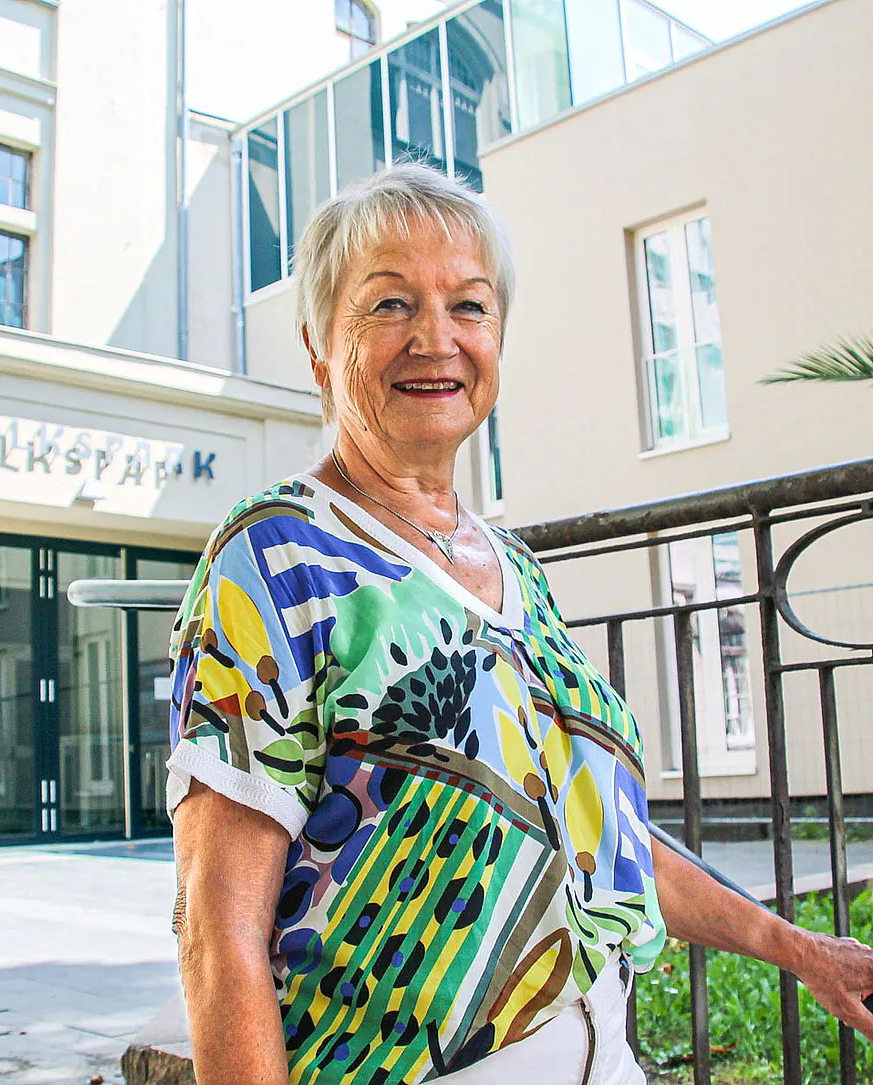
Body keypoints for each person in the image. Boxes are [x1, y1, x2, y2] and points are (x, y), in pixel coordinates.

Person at [166, 163, 873, 1085]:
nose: (436, 338)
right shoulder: (273, 558)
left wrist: (800, 951)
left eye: (469, 305)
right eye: (388, 305)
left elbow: (595, 834)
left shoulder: (518, 572)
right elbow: (217, 929)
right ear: (317, 348)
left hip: (606, 1054)